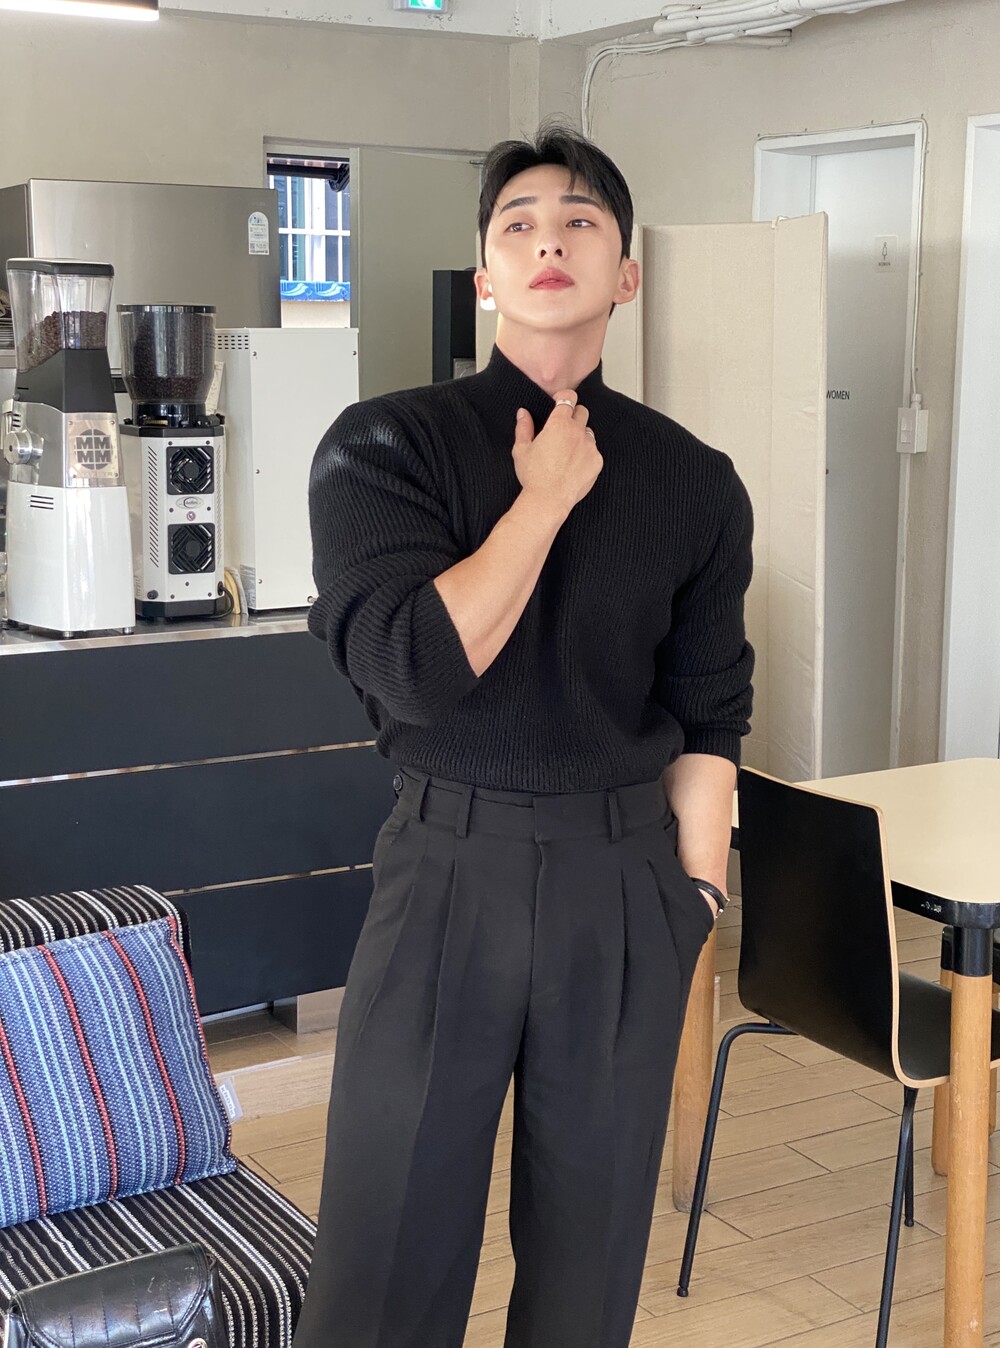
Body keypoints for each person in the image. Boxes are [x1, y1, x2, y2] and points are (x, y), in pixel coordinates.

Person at [292, 122, 754, 1348]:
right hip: (447, 867)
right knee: (388, 1239)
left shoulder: (694, 480)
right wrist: (542, 500)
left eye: (582, 221)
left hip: (625, 882)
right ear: (486, 276)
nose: (551, 238)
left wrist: (694, 896)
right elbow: (412, 666)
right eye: (519, 224)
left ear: (626, 273)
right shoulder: (383, 445)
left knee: (589, 1260)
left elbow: (710, 707)